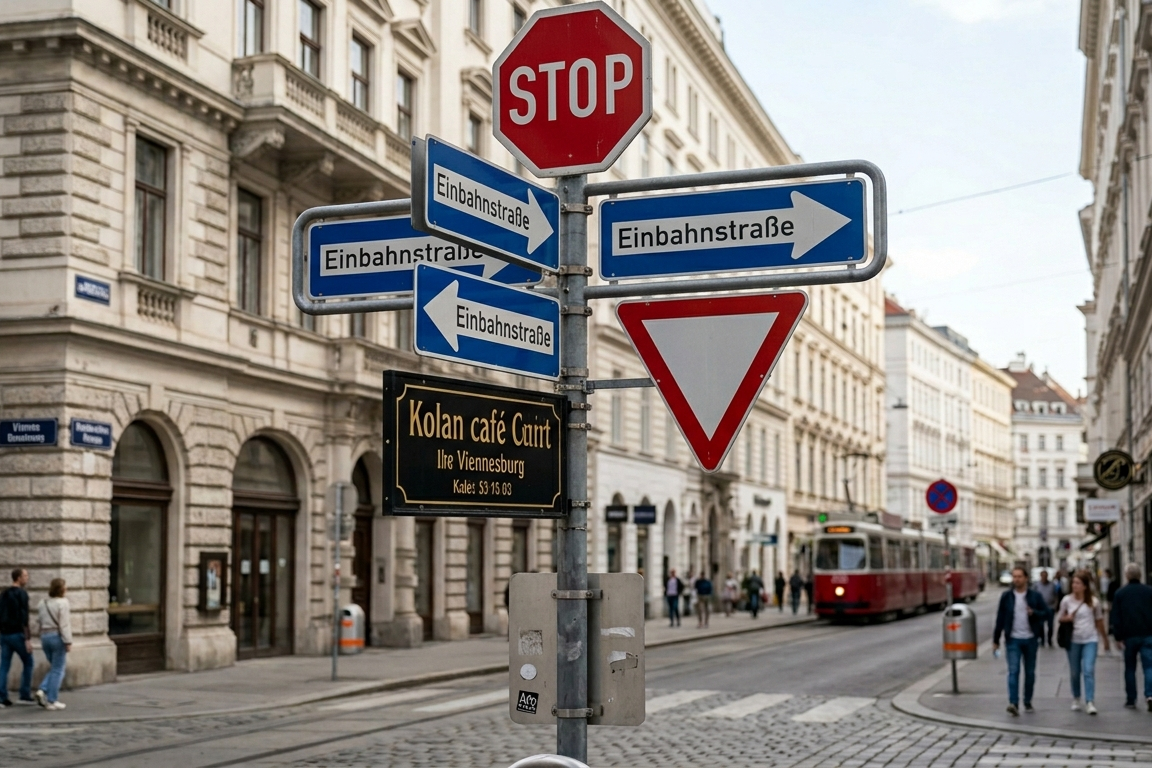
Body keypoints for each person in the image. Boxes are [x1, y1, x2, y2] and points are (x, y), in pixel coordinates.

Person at [993, 566, 1049, 716]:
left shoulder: (1034, 596)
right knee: (1014, 671)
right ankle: (1013, 703)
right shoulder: (1007, 596)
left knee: (1030, 673)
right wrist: (996, 639)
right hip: (1013, 639)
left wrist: (1034, 613)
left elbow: (1046, 613)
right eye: (1014, 576)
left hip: (1031, 639)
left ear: (1026, 578)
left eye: (1019, 576)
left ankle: (1027, 701)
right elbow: (1000, 618)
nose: (1016, 579)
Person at [1058, 569, 1109, 714]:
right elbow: (1060, 617)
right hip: (1073, 640)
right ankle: (1076, 697)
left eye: (1078, 583)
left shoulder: (1093, 602)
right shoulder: (1066, 600)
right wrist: (1066, 618)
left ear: (1085, 586)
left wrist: (1105, 639)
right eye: (1073, 583)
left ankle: (1090, 701)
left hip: (1090, 639)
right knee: (1075, 671)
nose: (1075, 585)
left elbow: (1099, 621)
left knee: (1088, 670)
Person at [1110, 562, 1152, 711]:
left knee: (1130, 668)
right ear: (1140, 575)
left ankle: (1131, 699)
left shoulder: (1120, 593)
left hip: (1129, 636)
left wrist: (1117, 636)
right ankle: (1150, 695)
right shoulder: (1149, 591)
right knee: (1149, 666)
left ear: (1127, 575)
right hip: (1148, 634)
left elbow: (1116, 617)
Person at [34, 578, 71, 711]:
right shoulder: (63, 603)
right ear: (61, 589)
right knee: (58, 669)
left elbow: (38, 621)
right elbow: (64, 624)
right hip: (57, 636)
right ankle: (52, 699)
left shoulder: (42, 603)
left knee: (55, 668)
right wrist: (68, 641)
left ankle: (43, 690)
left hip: (45, 637)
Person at [0, 568, 35, 707]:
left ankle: (2, 696)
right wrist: (27, 639)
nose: (27, 578)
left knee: (4, 666)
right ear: (18, 578)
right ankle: (24, 694)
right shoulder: (22, 594)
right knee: (28, 662)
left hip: (4, 634)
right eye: (25, 575)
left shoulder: (4, 594)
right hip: (17, 634)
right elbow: (24, 617)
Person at [1034, 569, 1061, 647]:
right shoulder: (1036, 585)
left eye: (1045, 576)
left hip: (1050, 607)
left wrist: (1056, 605)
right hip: (1040, 608)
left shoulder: (1052, 585)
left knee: (1050, 625)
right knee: (1041, 625)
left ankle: (1049, 640)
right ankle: (1042, 640)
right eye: (1043, 576)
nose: (1044, 577)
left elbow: (1056, 595)